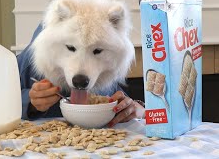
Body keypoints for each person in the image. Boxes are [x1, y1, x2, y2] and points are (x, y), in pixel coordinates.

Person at [17, 22, 145, 128]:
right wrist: (29, 102)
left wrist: (134, 108)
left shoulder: (104, 73)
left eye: (97, 51)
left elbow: (125, 103)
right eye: (71, 48)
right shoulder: (26, 65)